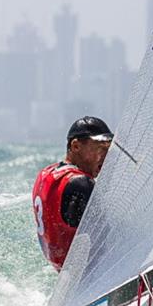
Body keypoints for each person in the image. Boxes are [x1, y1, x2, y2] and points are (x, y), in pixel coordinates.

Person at [32, 116, 113, 271]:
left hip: (63, 271)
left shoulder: (45, 174)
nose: (106, 157)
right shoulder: (81, 183)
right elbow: (105, 238)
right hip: (86, 275)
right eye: (101, 149)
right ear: (75, 146)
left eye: (108, 150)